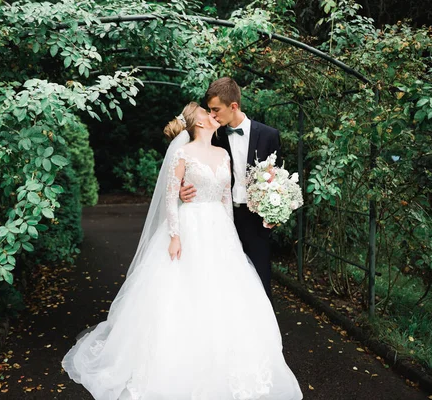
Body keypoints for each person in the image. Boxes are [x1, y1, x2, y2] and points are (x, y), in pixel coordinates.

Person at [61, 101, 302, 400]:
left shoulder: (223, 153)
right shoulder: (182, 153)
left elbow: (226, 198)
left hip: (219, 228)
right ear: (199, 122)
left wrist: (231, 235)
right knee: (184, 290)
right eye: (207, 113)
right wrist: (174, 236)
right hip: (189, 226)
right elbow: (169, 196)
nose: (213, 116)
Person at [179, 77, 281, 301]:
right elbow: (186, 163)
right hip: (218, 219)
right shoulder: (212, 135)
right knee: (221, 284)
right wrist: (180, 189)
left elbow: (279, 179)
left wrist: (277, 211)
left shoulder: (269, 135)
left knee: (260, 283)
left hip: (256, 220)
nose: (212, 116)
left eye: (216, 110)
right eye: (210, 110)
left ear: (233, 106)